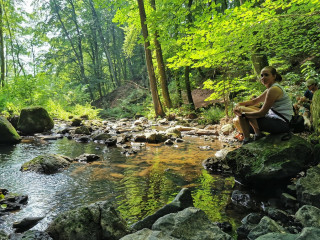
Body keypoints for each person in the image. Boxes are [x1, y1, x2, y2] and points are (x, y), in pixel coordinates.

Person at [234, 66, 293, 144]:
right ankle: (256, 135)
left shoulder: (274, 89)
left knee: (242, 112)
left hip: (281, 124)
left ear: (274, 76)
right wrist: (238, 104)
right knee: (242, 109)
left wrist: (243, 114)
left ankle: (248, 139)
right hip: (277, 121)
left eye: (266, 75)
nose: (263, 77)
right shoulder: (270, 89)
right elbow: (254, 101)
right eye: (262, 75)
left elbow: (262, 113)